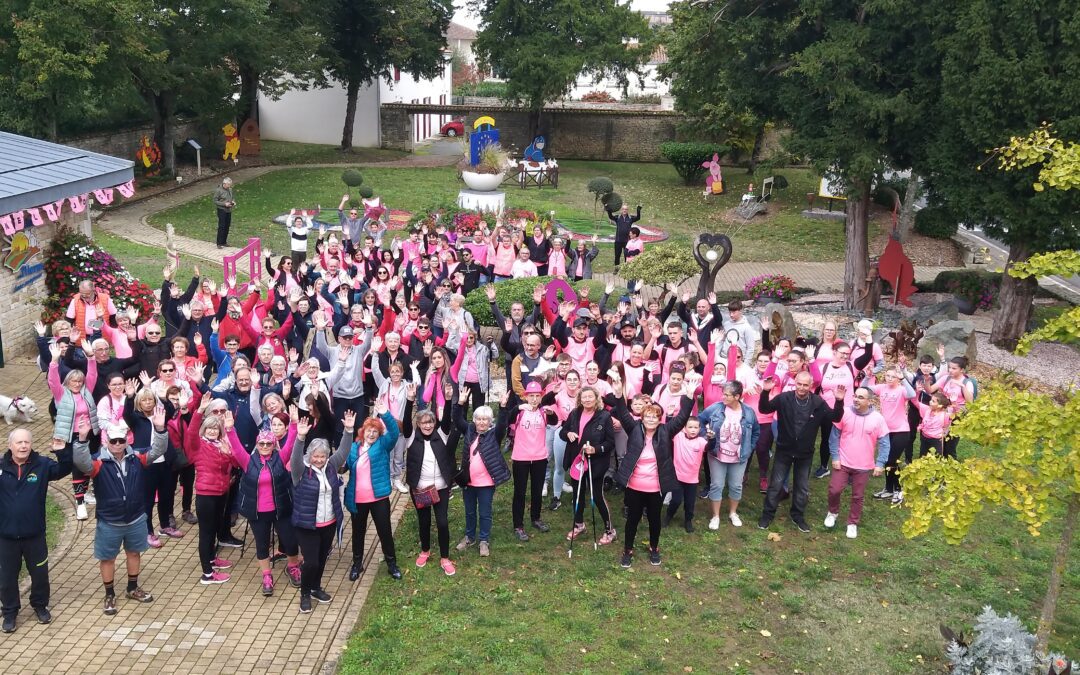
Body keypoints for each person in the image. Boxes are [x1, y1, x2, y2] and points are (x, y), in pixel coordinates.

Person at [73, 415, 167, 615]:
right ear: (107, 441)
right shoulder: (98, 462)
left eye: (121, 441)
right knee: (108, 558)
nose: (117, 444)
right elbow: (81, 463)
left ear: (127, 441)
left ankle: (132, 588)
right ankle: (109, 593)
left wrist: (159, 430)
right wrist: (82, 439)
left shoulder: (138, 458)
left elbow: (159, 449)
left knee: (134, 552)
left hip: (135, 517)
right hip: (109, 520)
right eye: (113, 441)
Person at [608, 370, 697, 568]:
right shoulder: (634, 428)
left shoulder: (666, 431)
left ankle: (654, 547)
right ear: (642, 416)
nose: (650, 420)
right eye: (647, 416)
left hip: (656, 487)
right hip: (635, 485)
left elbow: (682, 418)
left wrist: (689, 398)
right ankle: (627, 550)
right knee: (632, 519)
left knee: (654, 521)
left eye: (654, 417)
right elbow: (622, 413)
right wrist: (617, 394)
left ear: (659, 419)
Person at [0, 429, 72, 633]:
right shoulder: (1, 466)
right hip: (6, 536)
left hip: (35, 535)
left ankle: (40, 606)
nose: (23, 446)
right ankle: (10, 613)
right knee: (6, 578)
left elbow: (64, 469)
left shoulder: (42, 465)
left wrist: (62, 452)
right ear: (10, 445)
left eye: (26, 442)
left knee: (40, 574)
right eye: (19, 442)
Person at [757, 371, 845, 533]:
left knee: (802, 487)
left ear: (811, 386)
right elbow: (764, 409)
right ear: (795, 383)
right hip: (784, 450)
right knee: (775, 484)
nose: (802, 388)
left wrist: (839, 401)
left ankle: (797, 516)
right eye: (799, 384)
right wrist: (766, 391)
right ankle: (767, 515)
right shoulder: (784, 398)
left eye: (806, 385)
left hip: (805, 453)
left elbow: (835, 418)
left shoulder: (818, 402)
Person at [290, 414, 355, 614]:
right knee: (311, 562)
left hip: (329, 522)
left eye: (322, 456)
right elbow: (294, 458)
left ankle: (316, 587)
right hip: (307, 524)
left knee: (322, 558)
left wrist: (349, 431)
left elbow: (344, 451)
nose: (319, 459)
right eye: (315, 456)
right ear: (309, 455)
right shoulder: (300, 469)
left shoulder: (331, 466)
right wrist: (300, 438)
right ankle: (305, 593)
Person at [229, 423, 302, 596]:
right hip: (258, 512)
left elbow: (291, 442)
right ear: (257, 444)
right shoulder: (248, 461)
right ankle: (267, 575)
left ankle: (292, 567)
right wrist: (230, 429)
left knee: (290, 541)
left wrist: (293, 425)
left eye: (268, 444)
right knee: (262, 545)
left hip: (280, 509)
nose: (264, 447)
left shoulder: (281, 458)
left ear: (274, 444)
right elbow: (237, 447)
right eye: (261, 444)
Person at [341, 399, 402, 583]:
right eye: (369, 431)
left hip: (378, 498)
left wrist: (385, 413)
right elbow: (344, 466)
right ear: (363, 432)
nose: (372, 434)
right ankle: (357, 563)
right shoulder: (353, 448)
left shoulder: (383, 445)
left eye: (375, 431)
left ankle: (392, 564)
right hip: (357, 499)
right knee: (357, 533)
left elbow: (395, 432)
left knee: (384, 531)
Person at [184, 398, 241, 585]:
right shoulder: (198, 445)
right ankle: (207, 574)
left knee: (215, 528)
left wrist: (228, 453)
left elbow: (234, 465)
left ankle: (211, 559)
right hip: (206, 495)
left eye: (216, 429)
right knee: (206, 533)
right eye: (209, 428)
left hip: (221, 493)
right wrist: (199, 411)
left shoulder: (221, 444)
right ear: (204, 429)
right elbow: (191, 432)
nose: (212, 431)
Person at [401, 391, 460, 572]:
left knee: (442, 522)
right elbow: (405, 422)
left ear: (435, 424)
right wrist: (410, 400)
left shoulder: (441, 434)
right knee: (424, 521)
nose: (427, 426)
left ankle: (444, 557)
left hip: (440, 488)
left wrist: (448, 400)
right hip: (420, 489)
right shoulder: (411, 438)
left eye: (430, 422)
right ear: (418, 424)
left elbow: (448, 421)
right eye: (424, 422)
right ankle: (425, 550)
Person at [825, 386, 890, 539]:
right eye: (855, 396)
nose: (856, 399)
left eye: (861, 397)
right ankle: (832, 512)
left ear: (870, 401)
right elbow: (834, 436)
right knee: (834, 489)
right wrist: (835, 457)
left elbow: (885, 442)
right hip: (843, 462)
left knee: (858, 496)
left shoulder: (878, 418)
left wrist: (880, 463)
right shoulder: (845, 413)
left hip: (863, 465)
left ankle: (852, 523)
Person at [453, 390, 510, 562]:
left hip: (486, 484)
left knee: (484, 513)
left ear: (489, 421)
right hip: (469, 482)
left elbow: (502, 424)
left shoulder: (495, 434)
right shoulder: (469, 430)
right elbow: (457, 420)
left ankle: (484, 540)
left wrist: (503, 407)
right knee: (470, 512)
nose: (481, 422)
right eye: (478, 419)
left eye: (485, 419)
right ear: (474, 420)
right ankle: (469, 537)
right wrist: (460, 403)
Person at [561, 385, 617, 545]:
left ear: (596, 398)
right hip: (577, 462)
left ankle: (610, 530)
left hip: (596, 463)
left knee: (597, 497)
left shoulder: (605, 416)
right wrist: (568, 434)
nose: (587, 399)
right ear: (580, 399)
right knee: (577, 495)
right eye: (584, 397)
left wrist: (596, 449)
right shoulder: (574, 414)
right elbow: (562, 432)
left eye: (590, 397)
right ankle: (579, 525)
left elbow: (610, 442)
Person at [700, 381, 760, 529]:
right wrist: (705, 437)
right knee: (717, 485)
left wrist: (749, 448)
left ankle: (733, 513)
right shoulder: (715, 408)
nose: (723, 397)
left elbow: (756, 432)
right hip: (716, 455)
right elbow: (700, 420)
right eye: (724, 394)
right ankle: (716, 516)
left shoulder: (749, 412)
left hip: (739, 457)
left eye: (727, 395)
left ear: (737, 396)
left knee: (736, 486)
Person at [505, 384, 551, 541]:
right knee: (520, 492)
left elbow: (556, 419)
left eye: (537, 395)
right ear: (526, 396)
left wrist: (550, 411)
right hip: (521, 458)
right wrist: (518, 407)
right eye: (531, 395)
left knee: (537, 491)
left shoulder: (543, 412)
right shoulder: (520, 412)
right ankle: (518, 525)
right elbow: (507, 419)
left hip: (540, 457)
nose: (534, 398)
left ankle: (536, 518)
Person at [870, 367, 917, 504]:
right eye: (888, 376)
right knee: (887, 460)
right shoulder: (882, 388)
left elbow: (912, 394)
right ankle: (888, 489)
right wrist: (868, 376)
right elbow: (864, 388)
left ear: (897, 378)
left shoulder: (901, 389)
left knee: (892, 460)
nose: (889, 378)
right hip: (886, 431)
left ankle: (898, 490)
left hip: (901, 430)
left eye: (893, 376)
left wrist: (903, 379)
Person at [213, 177, 236, 249]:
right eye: (228, 184)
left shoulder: (230, 189)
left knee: (227, 226)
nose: (229, 186)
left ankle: (224, 242)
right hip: (221, 210)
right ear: (224, 184)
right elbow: (215, 201)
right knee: (222, 226)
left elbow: (231, 198)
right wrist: (224, 204)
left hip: (229, 210)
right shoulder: (218, 190)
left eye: (230, 184)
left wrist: (232, 202)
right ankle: (219, 243)